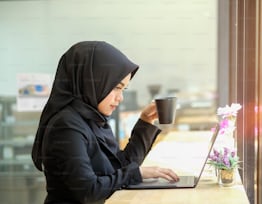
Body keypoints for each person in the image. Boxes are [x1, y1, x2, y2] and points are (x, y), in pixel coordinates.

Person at [31, 41, 179, 204]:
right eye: (116, 87)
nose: (120, 98)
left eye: (123, 89)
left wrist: (145, 122)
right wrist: (136, 173)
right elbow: (88, 191)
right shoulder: (66, 126)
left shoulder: (93, 118)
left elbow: (120, 167)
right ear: (93, 81)